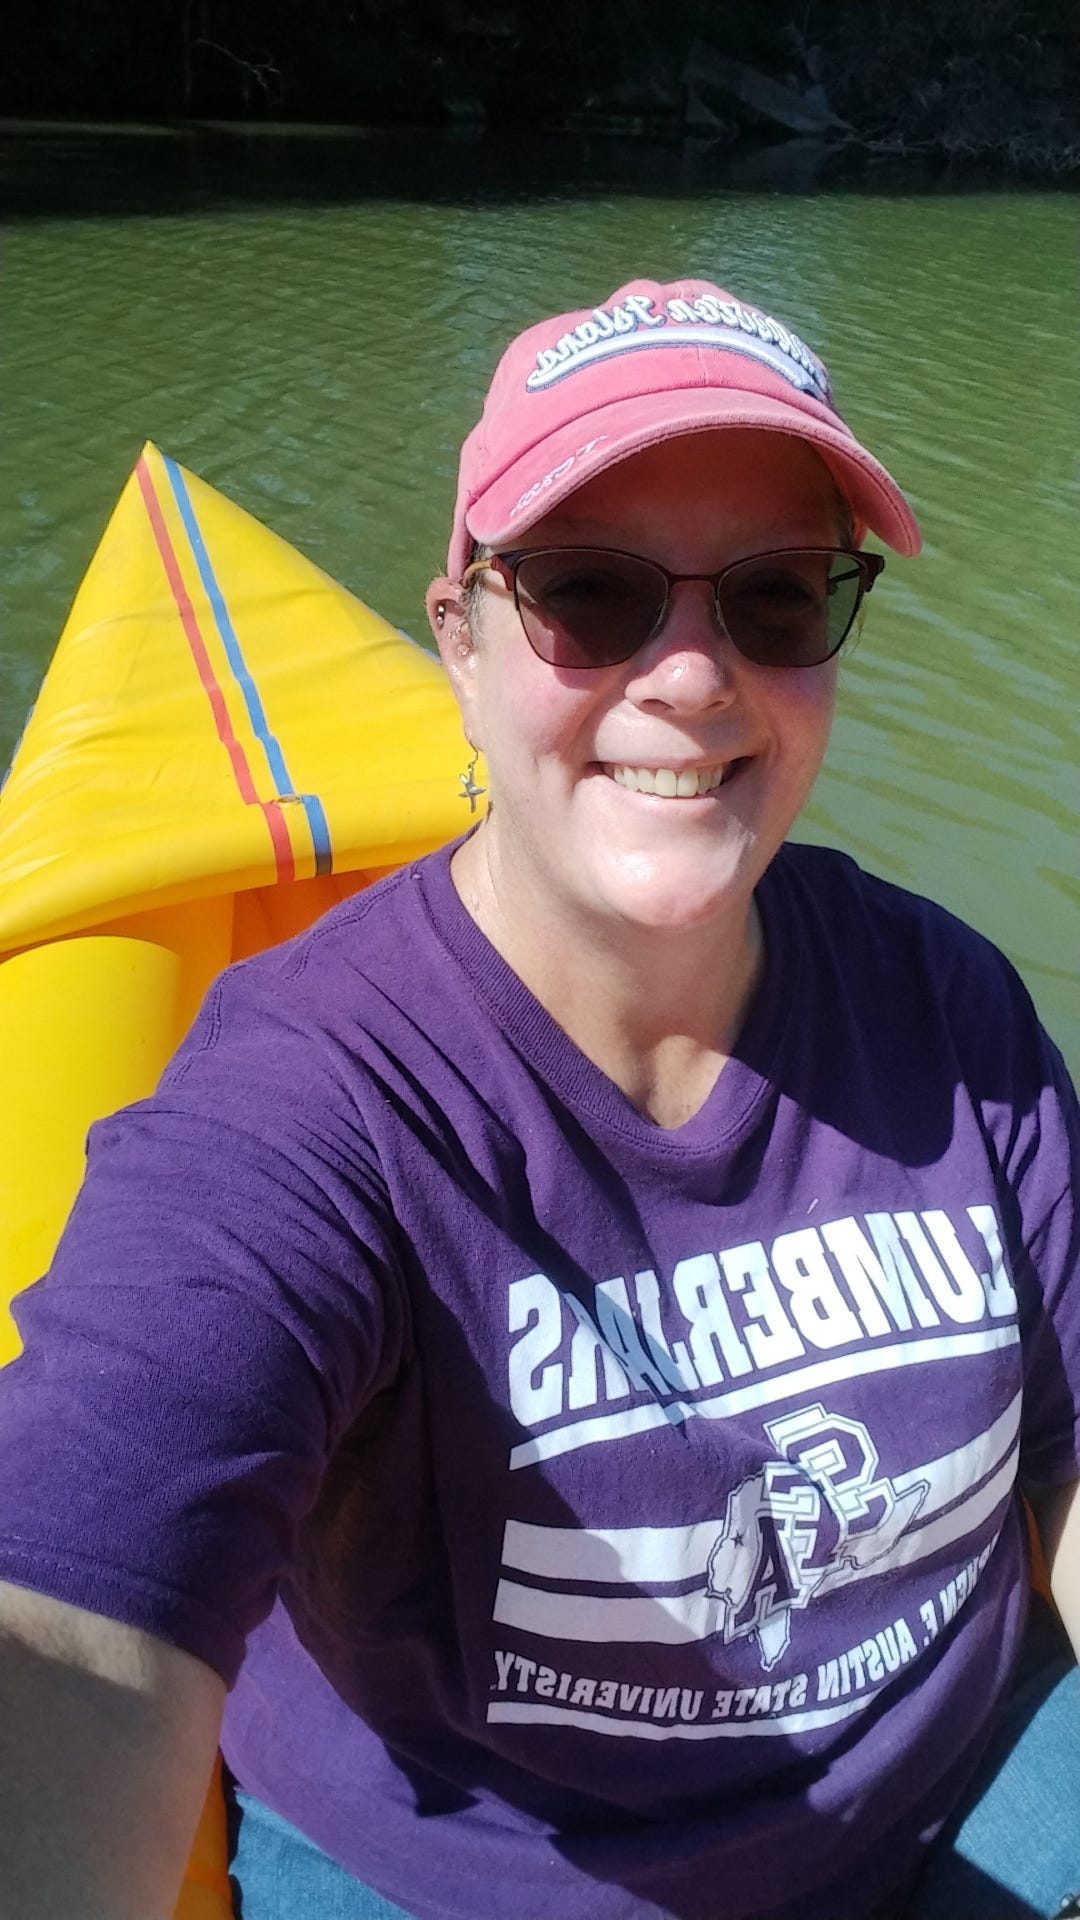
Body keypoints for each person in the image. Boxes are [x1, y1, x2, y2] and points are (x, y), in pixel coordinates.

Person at [0, 277, 1077, 1920]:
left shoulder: (946, 1003)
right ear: (461, 635)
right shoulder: (316, 1100)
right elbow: (78, 1610)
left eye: (778, 598)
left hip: (972, 1793)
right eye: (593, 594)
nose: (696, 677)